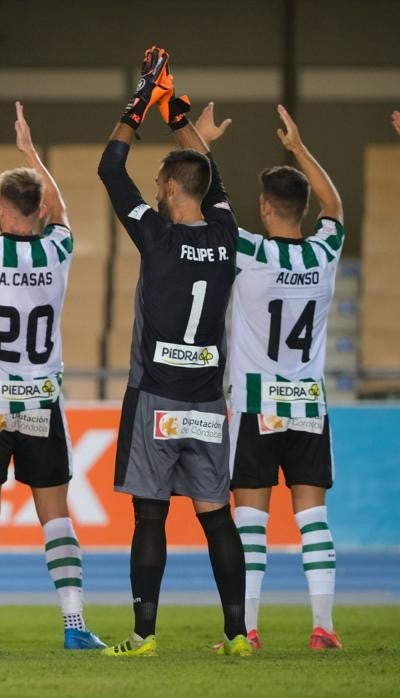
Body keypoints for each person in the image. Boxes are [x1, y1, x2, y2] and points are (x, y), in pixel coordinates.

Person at [96, 46, 250, 657]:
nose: (155, 189)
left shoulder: (155, 236)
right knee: (217, 517)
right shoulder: (226, 234)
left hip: (156, 397)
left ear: (166, 187)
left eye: (161, 183)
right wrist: (174, 105)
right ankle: (237, 636)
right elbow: (211, 174)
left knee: (150, 517)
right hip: (207, 405)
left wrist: (141, 100)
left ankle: (144, 634)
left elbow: (111, 170)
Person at [0, 101, 108, 653]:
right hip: (41, 397)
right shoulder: (57, 249)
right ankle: (74, 623)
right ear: (36, 211)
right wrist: (32, 152)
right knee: (54, 514)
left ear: (5, 213)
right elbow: (61, 212)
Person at [199, 103, 344, 651]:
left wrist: (203, 144)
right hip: (308, 402)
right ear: (304, 209)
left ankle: (250, 629)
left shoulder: (250, 250)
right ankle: (324, 627)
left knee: (251, 524)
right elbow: (338, 205)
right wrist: (299, 149)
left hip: (258, 405)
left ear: (264, 207)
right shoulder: (325, 253)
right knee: (313, 520)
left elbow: (212, 206)